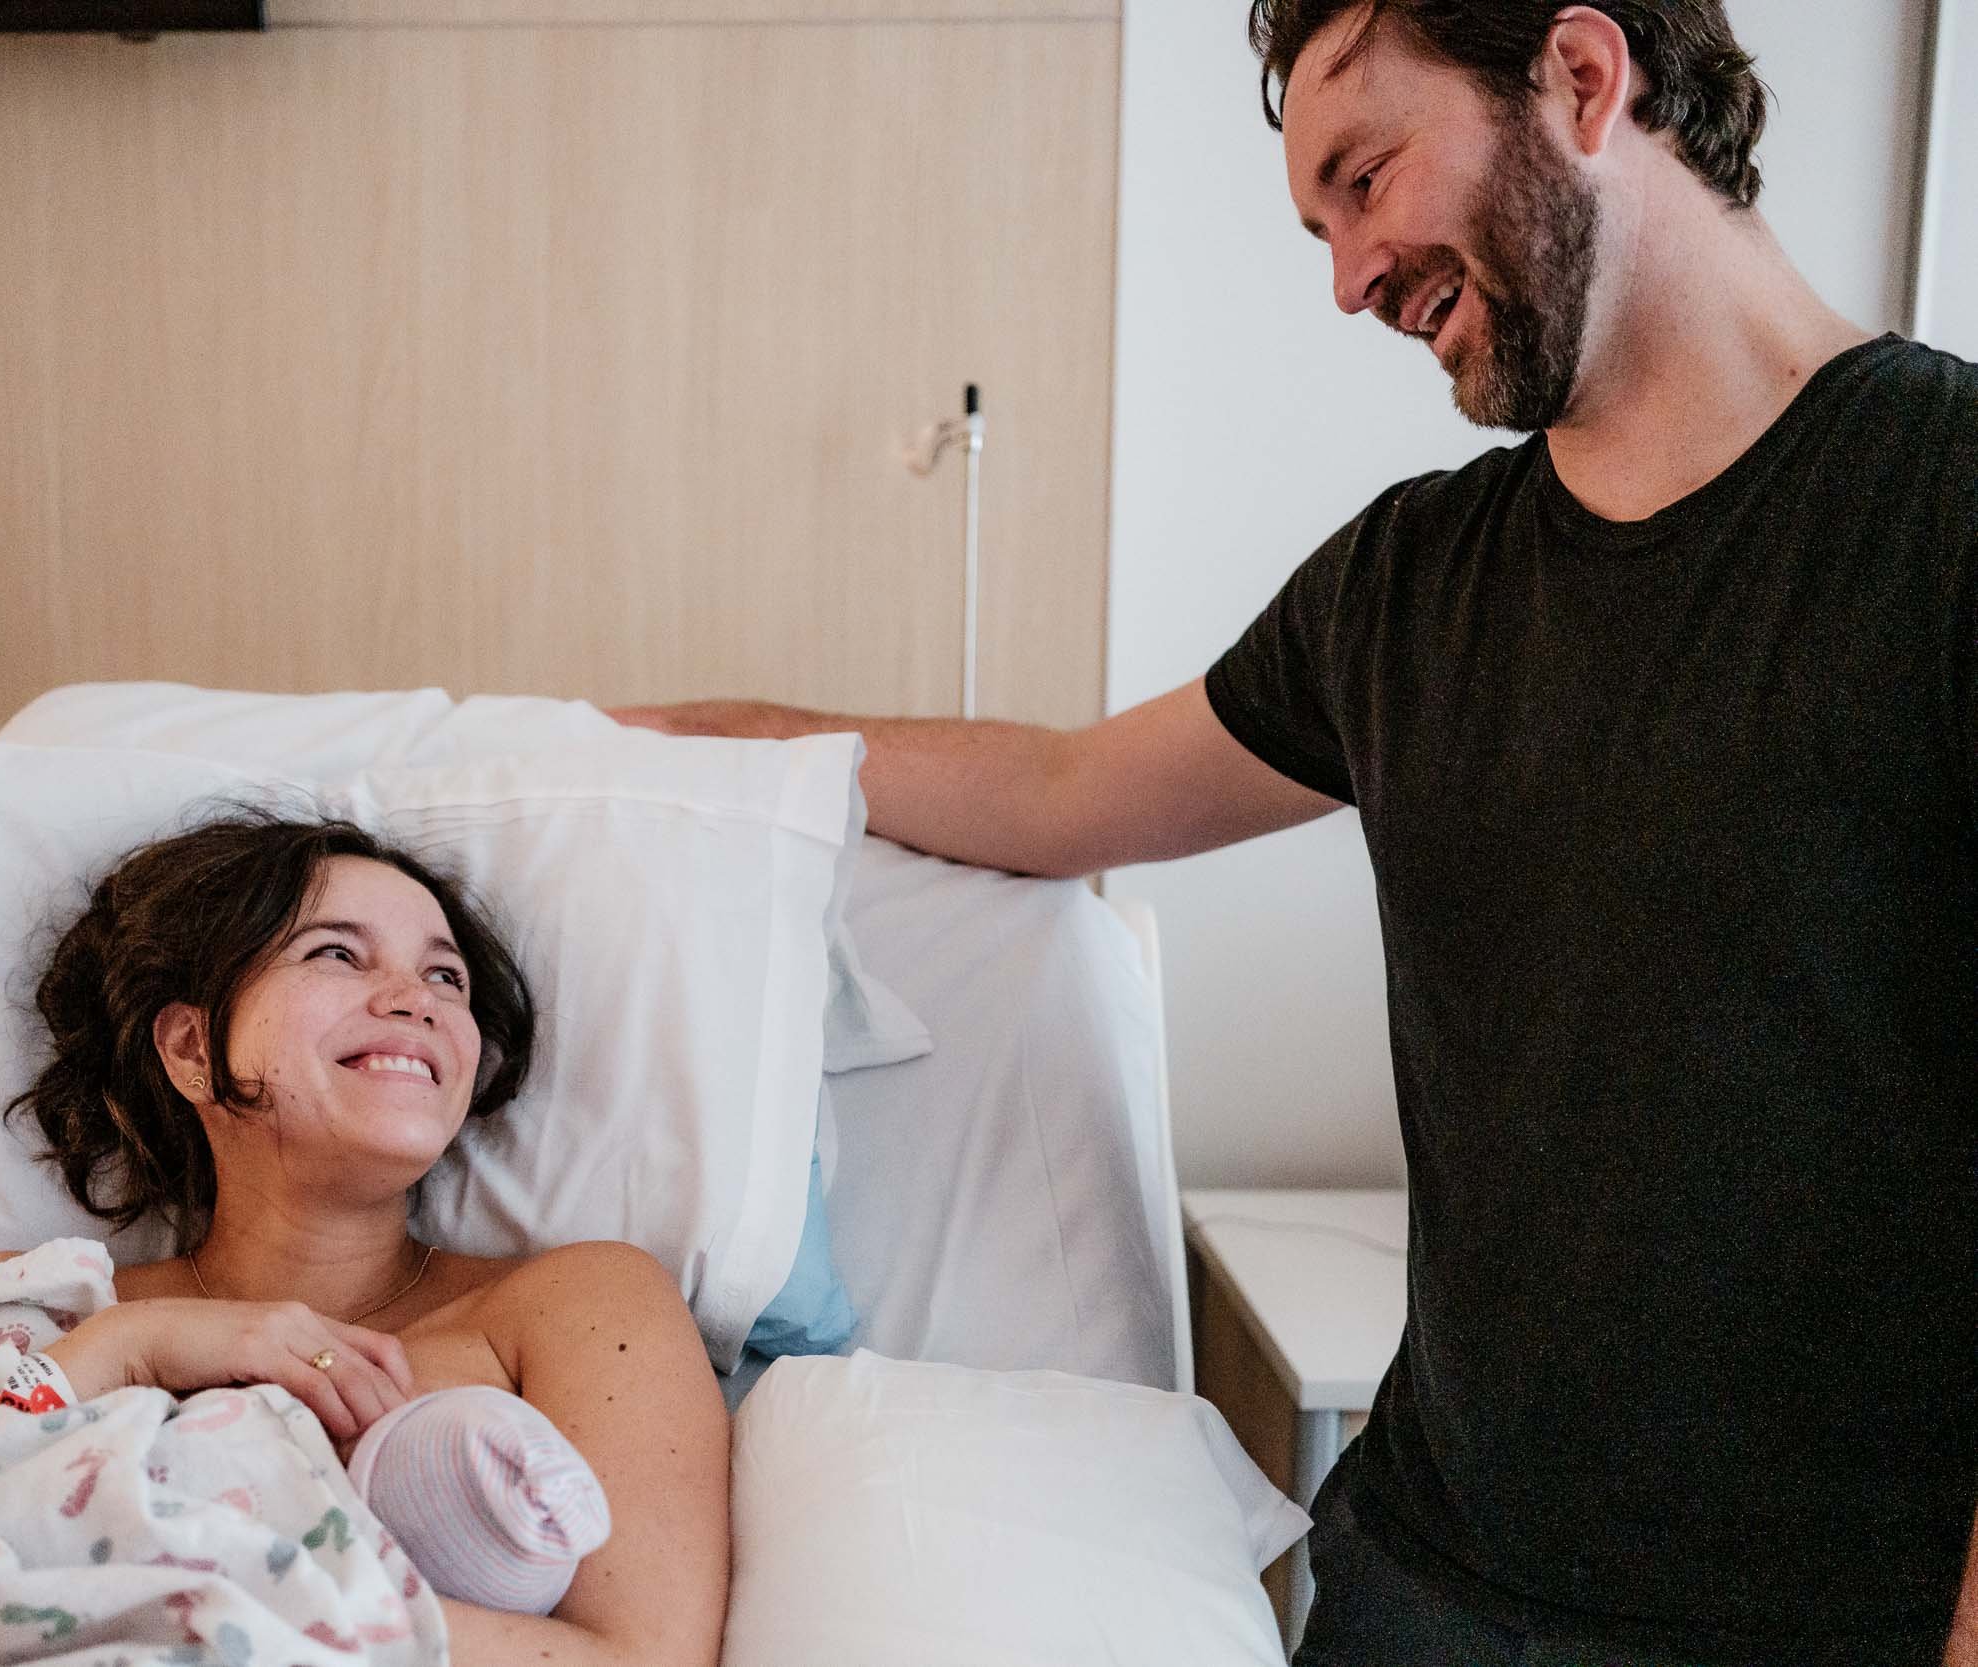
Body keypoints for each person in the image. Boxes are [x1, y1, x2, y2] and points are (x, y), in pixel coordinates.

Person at [615, 4, 1978, 1663]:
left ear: (1579, 74)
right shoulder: (1407, 585)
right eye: (1318, 224)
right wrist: (668, 751)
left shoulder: (1940, 509)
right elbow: (1058, 793)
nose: (1348, 280)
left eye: (1366, 174)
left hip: (1827, 1627)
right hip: (1419, 1592)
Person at [0, 813, 730, 1667]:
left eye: (446, 976)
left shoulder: (573, 1306)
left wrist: (223, 1579)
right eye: (338, 953)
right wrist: (108, 1360)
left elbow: (638, 1660)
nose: (417, 997)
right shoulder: (36, 1314)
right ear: (190, 1047)